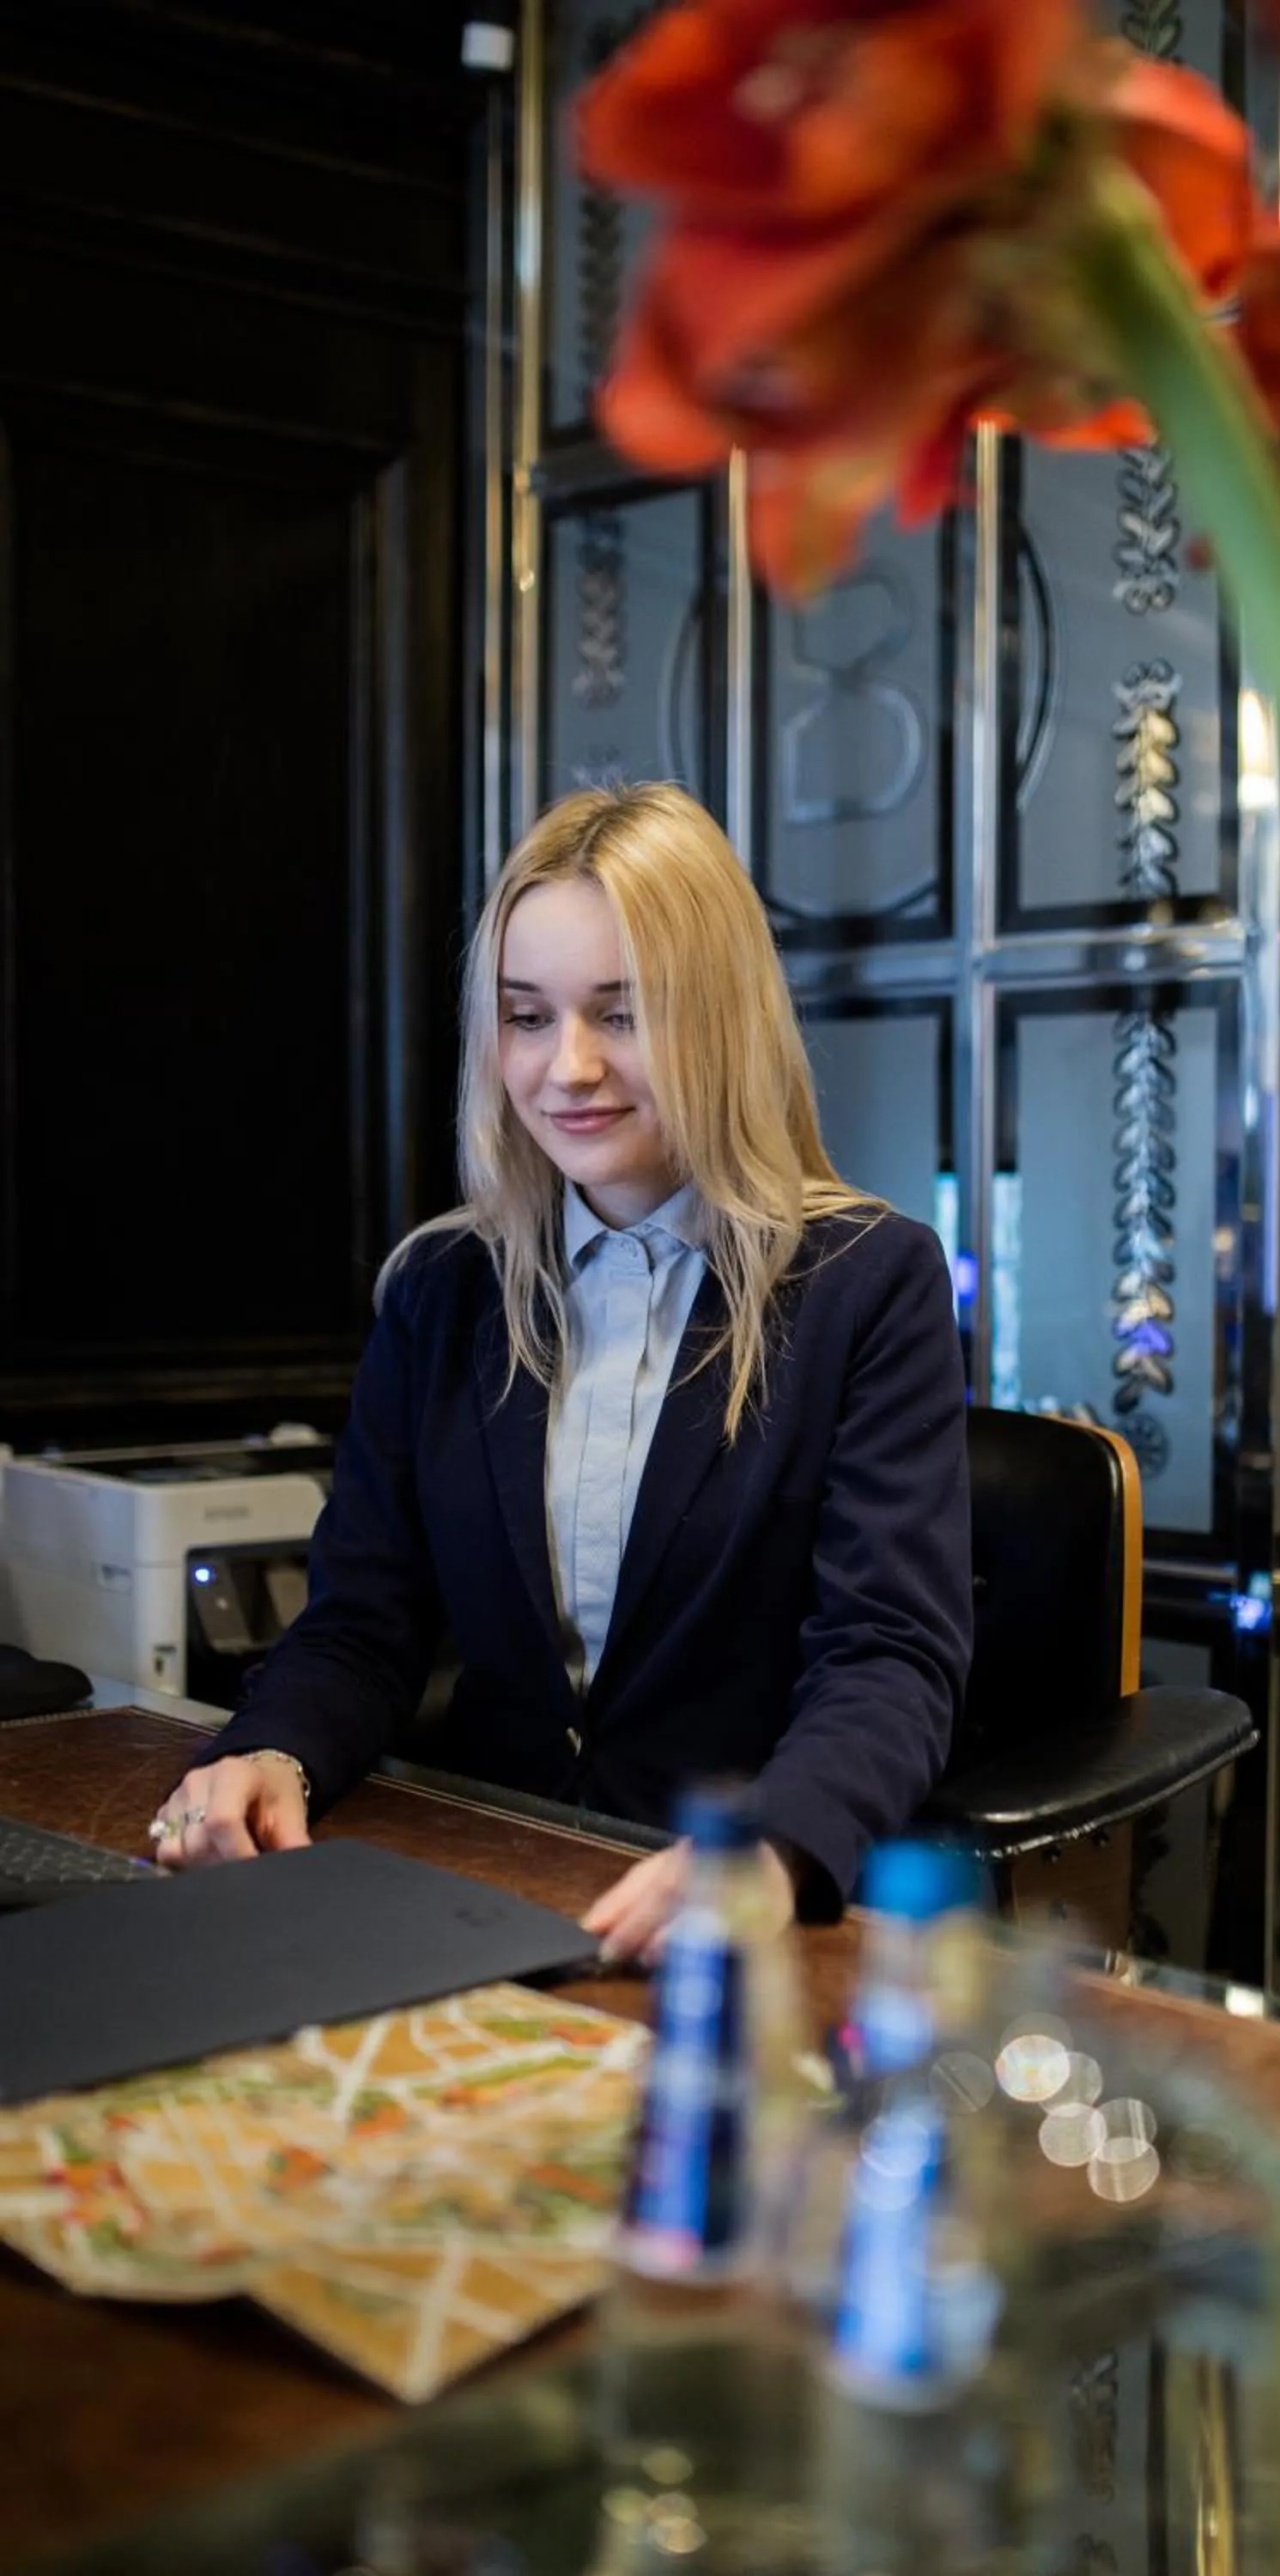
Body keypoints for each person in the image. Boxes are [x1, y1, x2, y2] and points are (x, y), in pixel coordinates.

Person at [147, 783, 973, 1961]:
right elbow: (362, 1624)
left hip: (737, 1923)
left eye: (622, 1014)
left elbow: (886, 1655)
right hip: (481, 1885)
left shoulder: (867, 1282)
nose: (567, 1067)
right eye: (527, 1017)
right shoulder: (441, 1288)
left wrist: (775, 1847)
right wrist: (268, 1753)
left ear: (722, 1021)